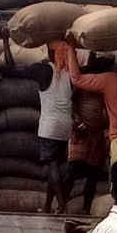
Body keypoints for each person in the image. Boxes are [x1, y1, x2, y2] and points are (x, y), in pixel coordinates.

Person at [30, 35, 76, 214]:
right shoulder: (68, 73)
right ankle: (49, 206)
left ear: (49, 52)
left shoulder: (43, 70)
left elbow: (11, 67)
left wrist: (5, 41)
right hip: (66, 127)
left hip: (49, 126)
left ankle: (63, 206)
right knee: (54, 167)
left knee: (53, 167)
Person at [64, 72, 108, 214]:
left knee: (93, 173)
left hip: (96, 133)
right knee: (73, 170)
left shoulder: (104, 84)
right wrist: (78, 122)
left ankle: (86, 209)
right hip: (80, 132)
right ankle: (62, 205)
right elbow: (72, 104)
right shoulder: (80, 84)